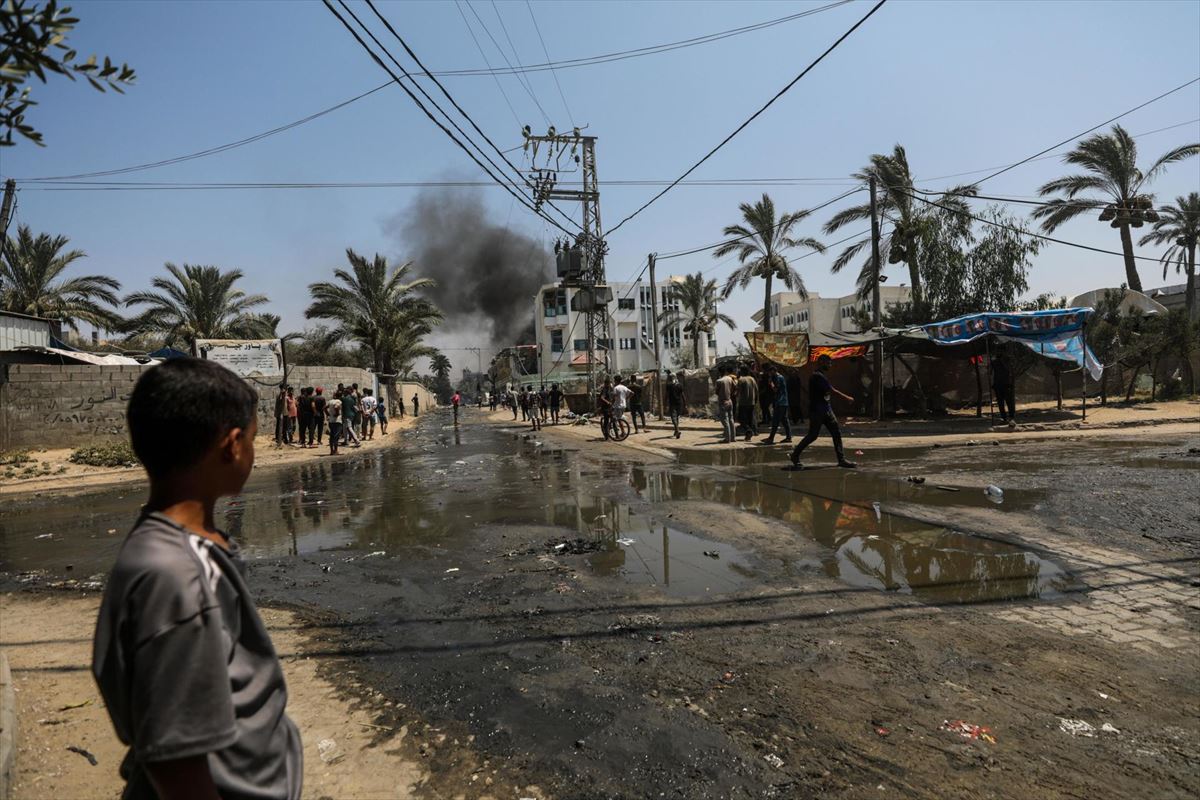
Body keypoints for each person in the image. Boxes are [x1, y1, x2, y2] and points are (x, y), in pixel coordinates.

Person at [92, 358, 302, 800]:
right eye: (253, 439)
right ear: (231, 446)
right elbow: (176, 759)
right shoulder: (173, 575)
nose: (253, 450)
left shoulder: (188, 546)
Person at [790, 354, 857, 469]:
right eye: (828, 362)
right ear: (821, 362)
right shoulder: (817, 376)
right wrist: (847, 398)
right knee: (813, 435)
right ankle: (795, 455)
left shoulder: (821, 376)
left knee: (836, 433)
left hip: (826, 409)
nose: (830, 365)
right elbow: (831, 390)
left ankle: (841, 460)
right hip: (817, 411)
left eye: (830, 363)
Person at [762, 363, 793, 445]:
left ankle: (771, 438)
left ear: (773, 371)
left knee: (775, 420)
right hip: (784, 402)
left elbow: (776, 390)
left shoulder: (777, 378)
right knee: (784, 420)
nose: (769, 374)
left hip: (780, 402)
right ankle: (788, 437)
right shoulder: (780, 377)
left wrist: (771, 383)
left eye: (770, 372)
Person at [991, 352, 1017, 426]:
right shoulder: (994, 362)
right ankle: (1004, 418)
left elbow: (1010, 371)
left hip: (1006, 384)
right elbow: (990, 372)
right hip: (998, 385)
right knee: (1001, 403)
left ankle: (1011, 418)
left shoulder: (1007, 361)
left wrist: (1012, 383)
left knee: (1009, 402)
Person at [736, 365, 759, 442]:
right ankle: (750, 434)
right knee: (750, 419)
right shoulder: (752, 379)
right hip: (751, 402)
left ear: (742, 371)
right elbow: (756, 390)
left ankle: (749, 431)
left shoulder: (741, 380)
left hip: (743, 403)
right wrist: (755, 400)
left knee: (741, 419)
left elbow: (738, 392)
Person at [714, 366, 736, 443]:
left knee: (725, 421)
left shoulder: (719, 381)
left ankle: (727, 438)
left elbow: (716, 392)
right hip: (730, 401)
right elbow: (735, 387)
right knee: (731, 419)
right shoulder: (730, 379)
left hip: (723, 402)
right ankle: (733, 438)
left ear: (720, 372)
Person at [666, 371, 686, 439]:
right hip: (679, 403)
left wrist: (665, 403)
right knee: (676, 417)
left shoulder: (669, 386)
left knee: (673, 417)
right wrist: (685, 403)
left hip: (672, 403)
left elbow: (667, 395)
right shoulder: (679, 385)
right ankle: (676, 430)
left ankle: (677, 430)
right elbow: (682, 395)